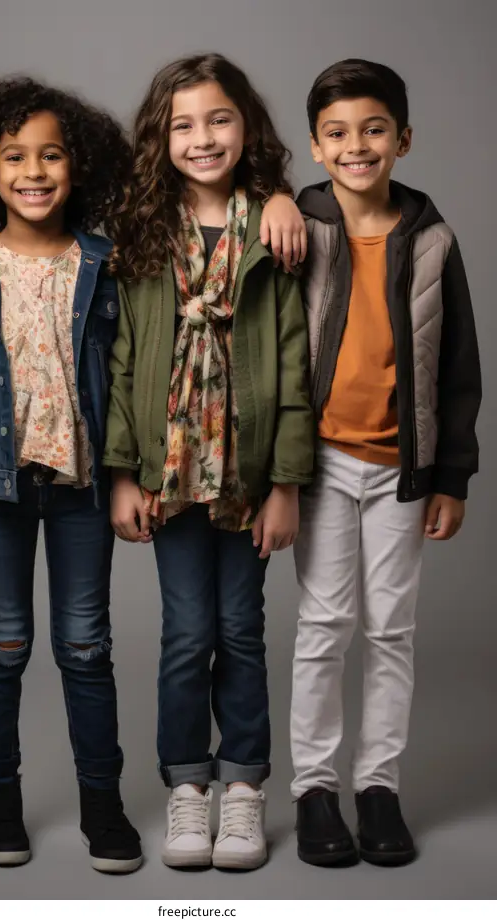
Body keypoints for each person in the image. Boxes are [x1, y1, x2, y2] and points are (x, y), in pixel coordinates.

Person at [0, 76, 143, 873]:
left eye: (51, 155)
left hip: (81, 491)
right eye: (15, 156)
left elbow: (128, 383)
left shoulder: (106, 267)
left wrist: (127, 475)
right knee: (2, 648)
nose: (34, 170)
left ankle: (104, 807)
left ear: (76, 167)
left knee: (86, 648)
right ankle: (0, 804)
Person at [104, 53, 314, 871]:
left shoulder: (274, 227)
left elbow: (294, 368)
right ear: (161, 137)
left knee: (244, 632)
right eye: (183, 124)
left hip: (252, 475)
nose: (203, 138)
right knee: (189, 636)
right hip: (173, 475)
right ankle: (188, 789)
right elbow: (124, 361)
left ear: (246, 127)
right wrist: (125, 472)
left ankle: (245, 791)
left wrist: (287, 486)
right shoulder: (143, 231)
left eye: (219, 119)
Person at [291, 59, 482, 868]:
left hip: (405, 467)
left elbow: (461, 367)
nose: (356, 146)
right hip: (322, 464)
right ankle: (314, 791)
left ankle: (378, 788)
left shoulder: (434, 239)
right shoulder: (298, 225)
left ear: (402, 139)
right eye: (337, 133)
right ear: (316, 145)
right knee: (324, 626)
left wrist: (452, 475)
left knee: (391, 630)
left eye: (374, 130)